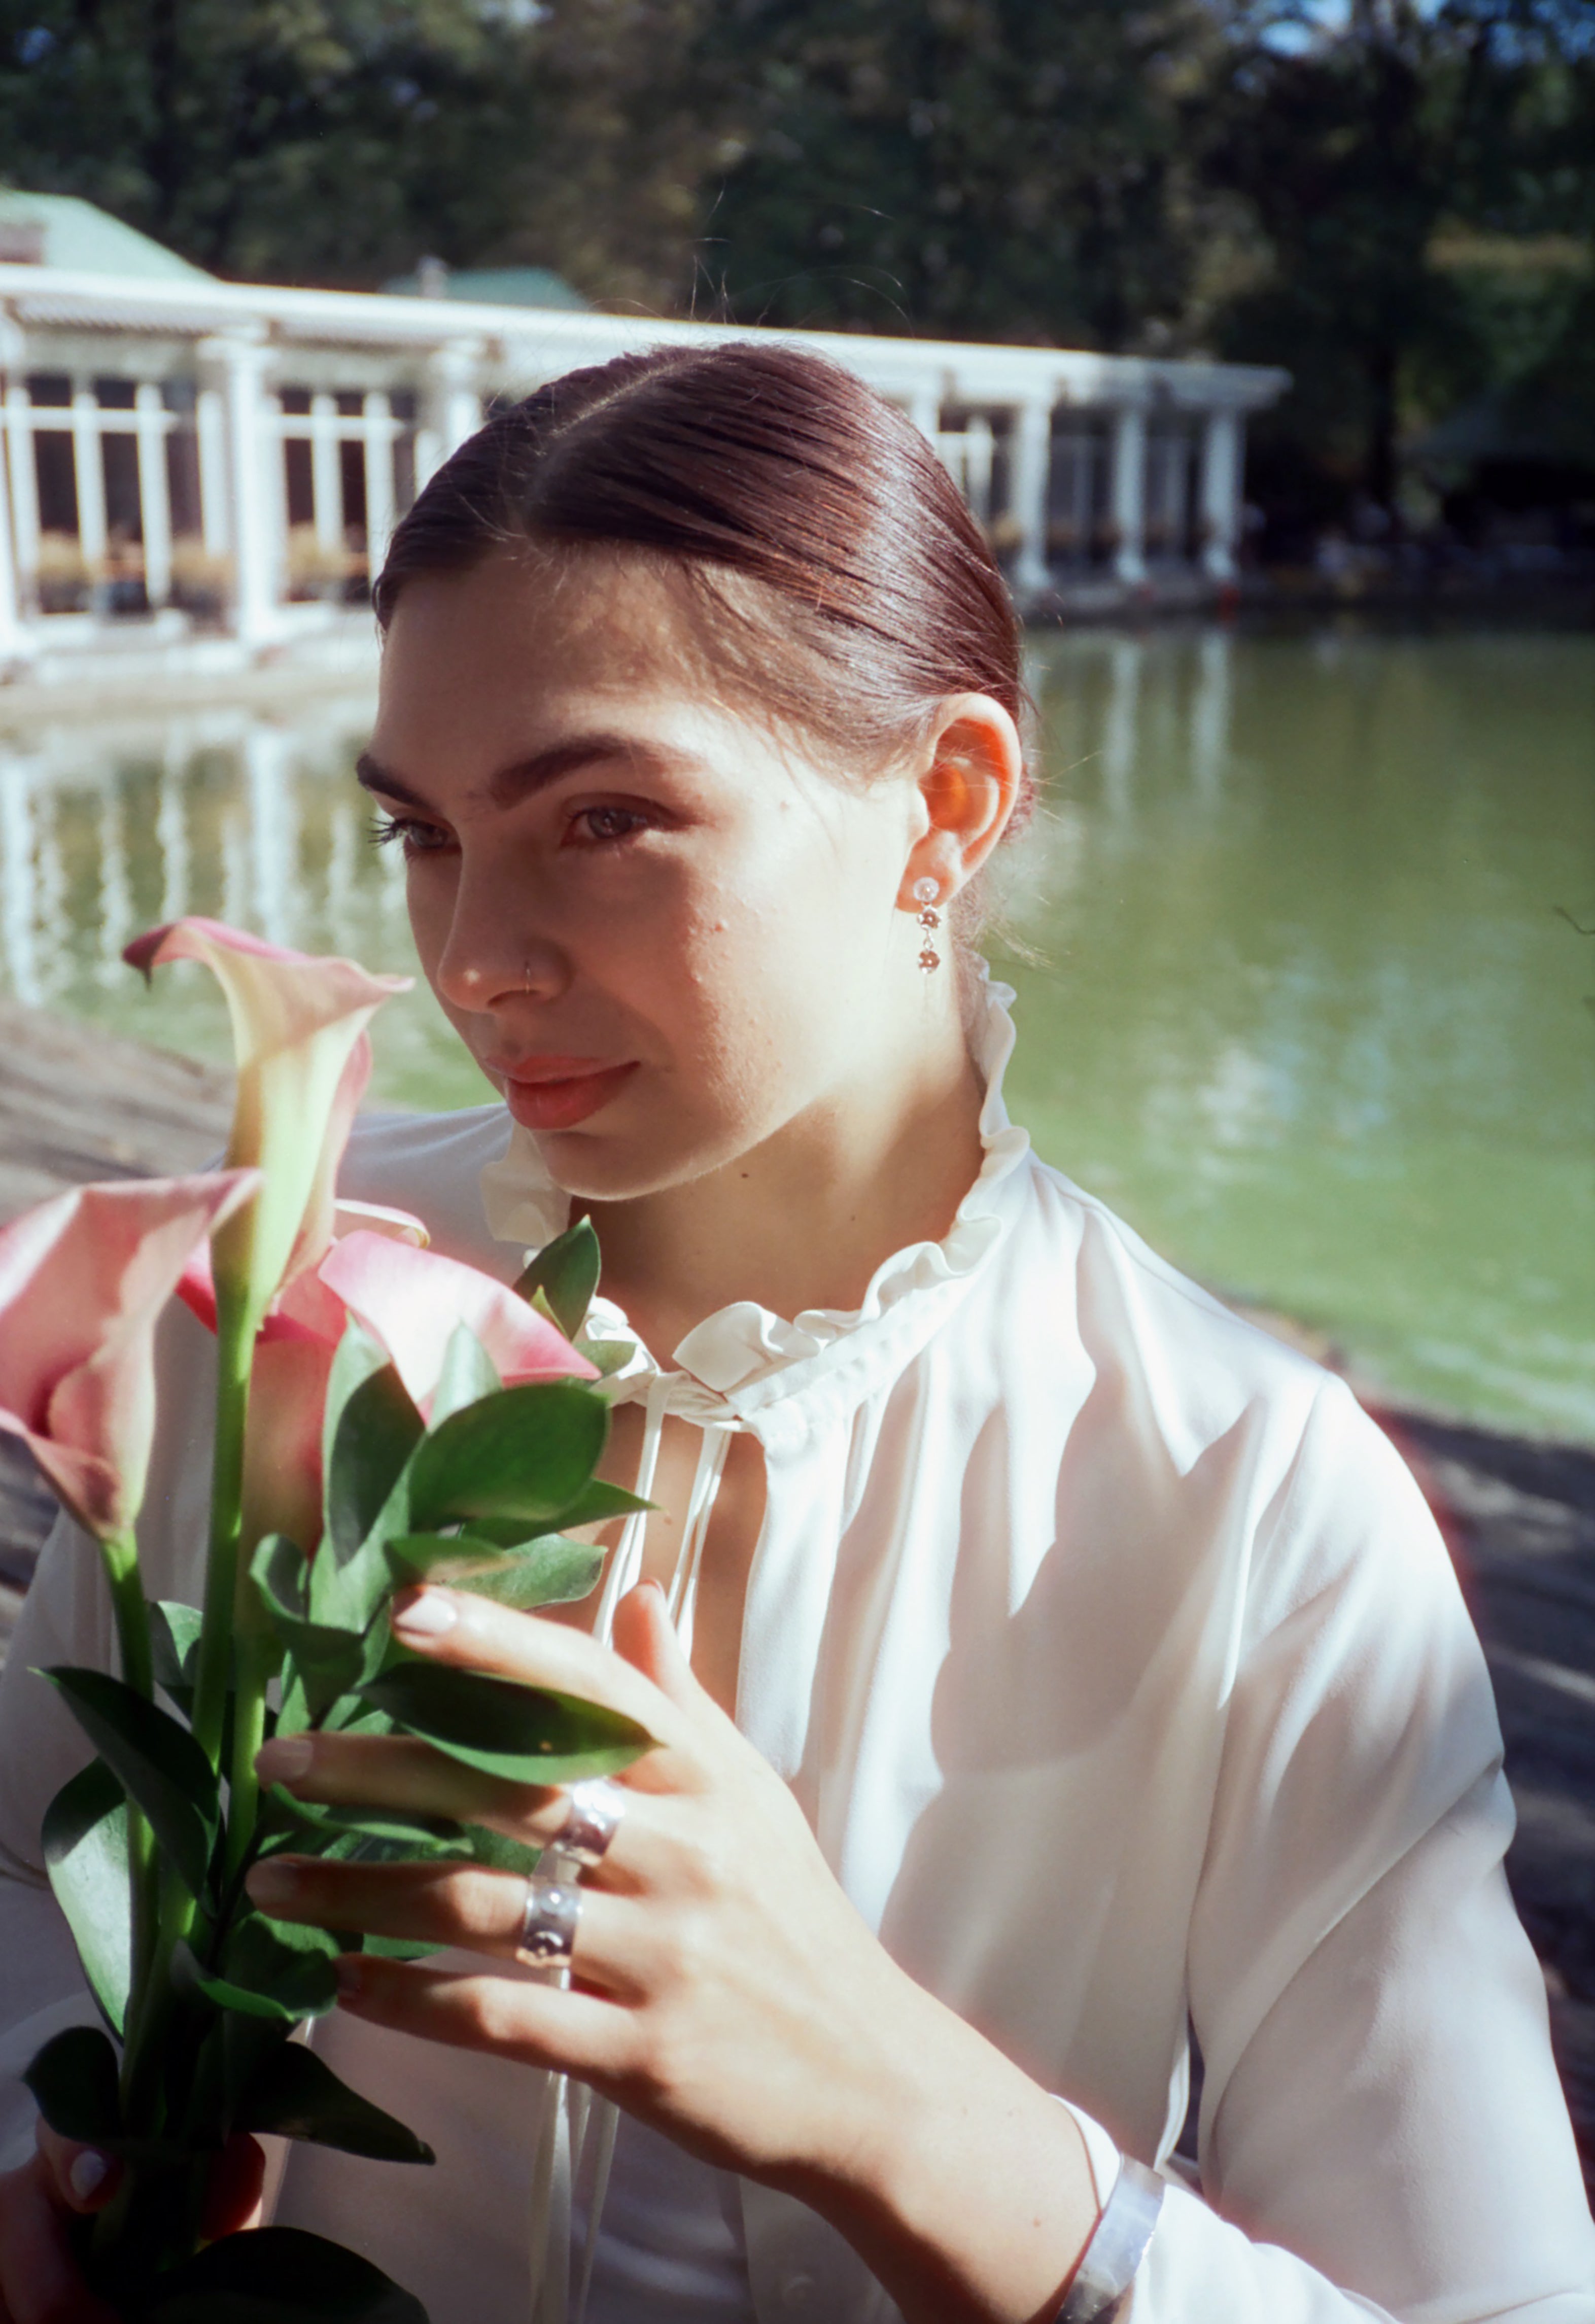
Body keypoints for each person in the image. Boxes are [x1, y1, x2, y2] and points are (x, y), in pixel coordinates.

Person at [0, 343, 1590, 2324]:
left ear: (947, 803)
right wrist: (49, 2161)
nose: (472, 962)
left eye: (603, 820)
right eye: (423, 834)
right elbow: (24, 1876)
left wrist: (891, 2103)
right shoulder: (279, 1299)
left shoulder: (1254, 1496)